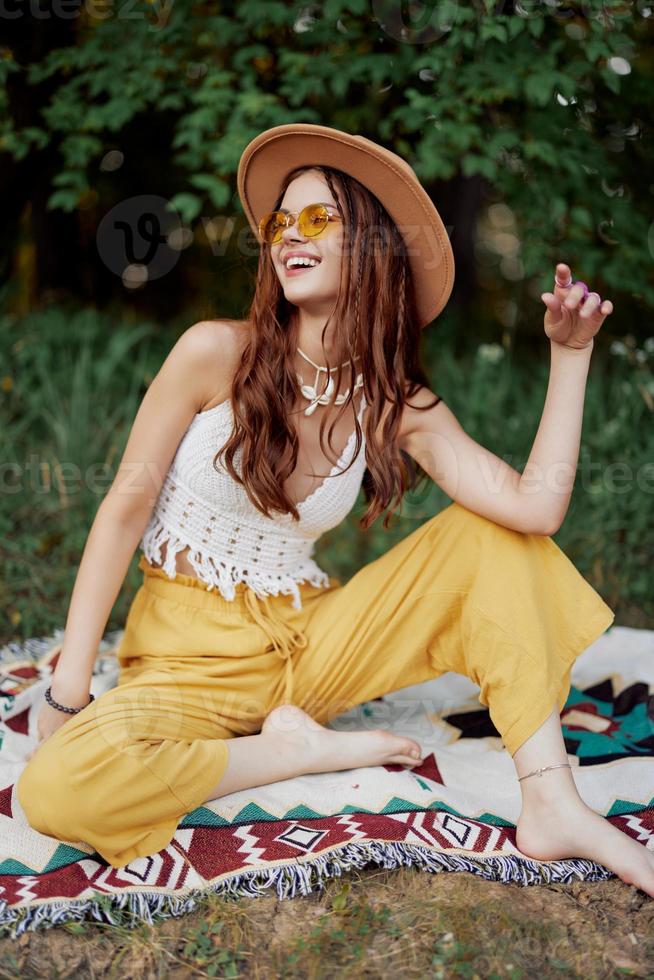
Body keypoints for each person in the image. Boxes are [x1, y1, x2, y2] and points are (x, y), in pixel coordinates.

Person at [16, 124, 652, 896]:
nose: (290, 235)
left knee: (496, 538)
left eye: (319, 219)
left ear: (376, 247)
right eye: (282, 222)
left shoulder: (394, 401)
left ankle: (551, 799)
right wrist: (67, 690)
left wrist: (571, 357)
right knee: (56, 785)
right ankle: (296, 753)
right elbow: (122, 510)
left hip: (311, 648)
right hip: (186, 667)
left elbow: (535, 506)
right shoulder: (213, 352)